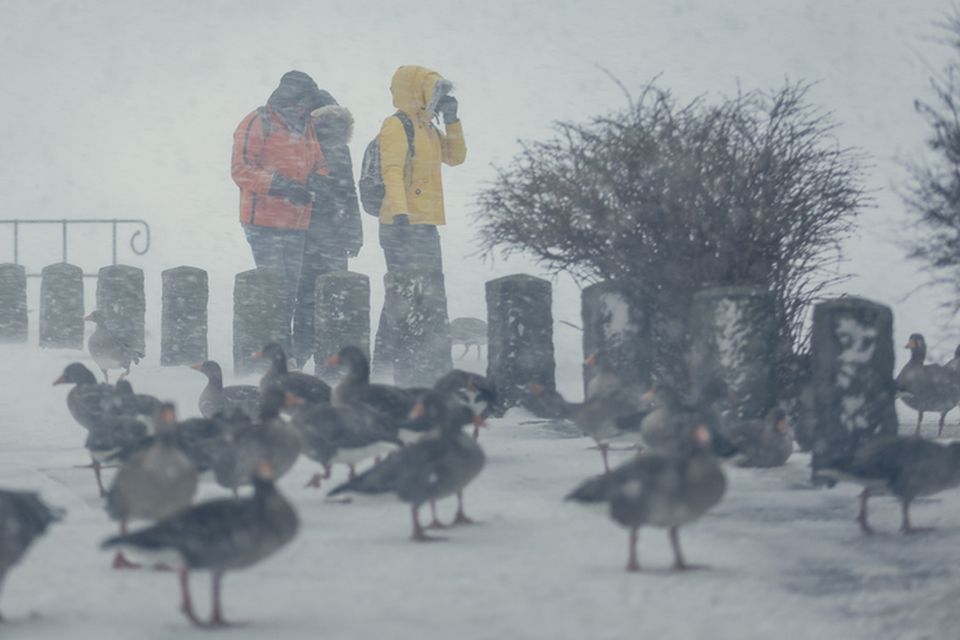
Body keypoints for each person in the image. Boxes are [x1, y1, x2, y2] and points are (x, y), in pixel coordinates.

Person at [372, 65, 467, 375]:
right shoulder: (396, 125)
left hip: (424, 224)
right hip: (401, 224)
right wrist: (400, 213)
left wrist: (452, 121)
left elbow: (455, 157)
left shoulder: (426, 125)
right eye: (434, 91)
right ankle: (389, 361)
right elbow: (392, 171)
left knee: (424, 292)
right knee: (404, 292)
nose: (438, 97)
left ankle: (405, 359)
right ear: (418, 92)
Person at [231, 70, 329, 335]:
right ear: (291, 100)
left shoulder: (307, 125)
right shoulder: (256, 122)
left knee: (291, 290)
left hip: (296, 221)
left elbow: (319, 162)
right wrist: (281, 186)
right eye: (303, 104)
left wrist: (319, 180)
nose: (306, 110)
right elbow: (240, 170)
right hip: (263, 223)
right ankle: (271, 349)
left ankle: (280, 350)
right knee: (274, 289)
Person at [292, 90, 363, 366]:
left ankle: (300, 355)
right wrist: (354, 234)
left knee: (305, 297)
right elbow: (349, 193)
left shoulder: (303, 141)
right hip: (334, 233)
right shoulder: (338, 146)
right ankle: (331, 356)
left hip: (305, 231)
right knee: (335, 297)